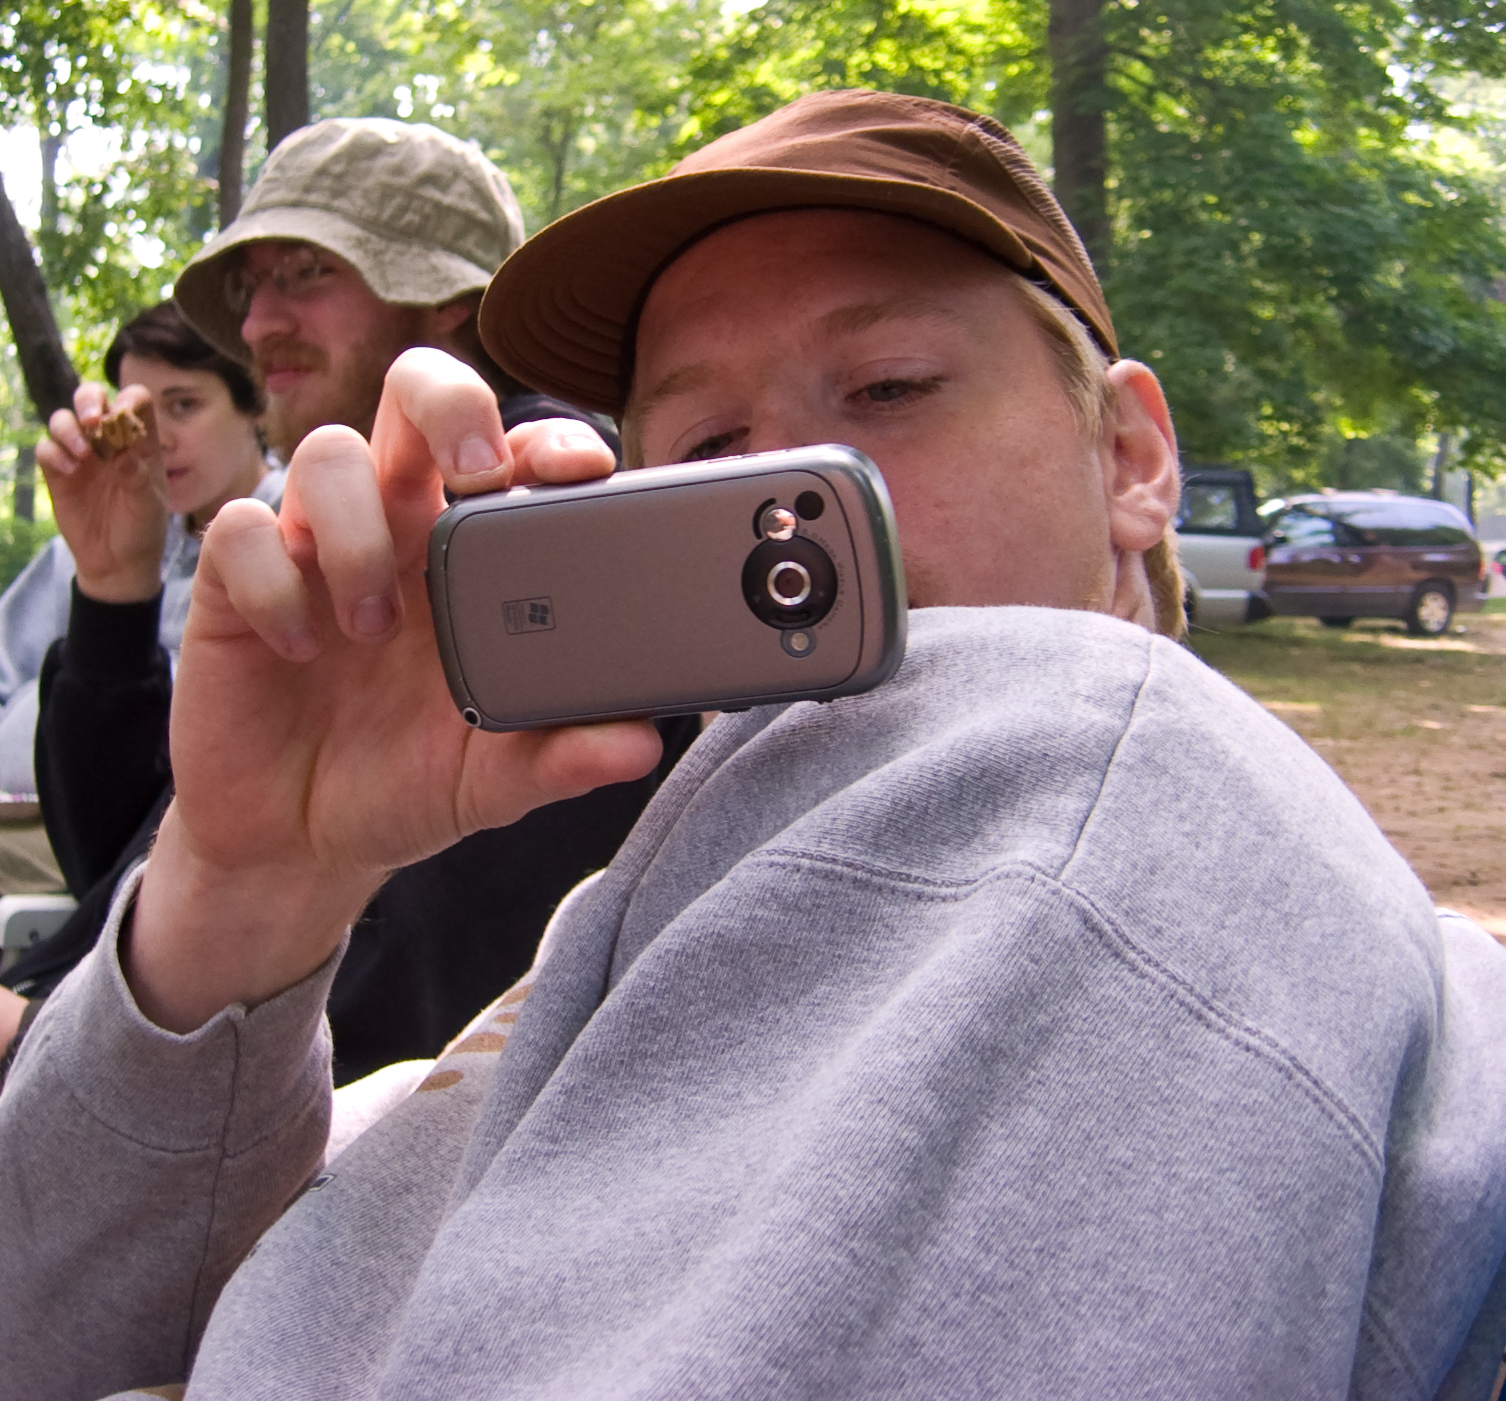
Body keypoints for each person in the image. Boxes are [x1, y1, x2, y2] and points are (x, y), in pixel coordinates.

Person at [5, 89, 1506, 1400]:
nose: (797, 477)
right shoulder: (661, 908)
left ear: (1127, 457)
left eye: (890, 391)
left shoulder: (1094, 762)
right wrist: (241, 891)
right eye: (707, 453)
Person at [0, 116, 694, 1084]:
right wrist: (114, 593)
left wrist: (35, 1052)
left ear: (448, 297)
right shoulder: (349, 525)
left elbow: (423, 1000)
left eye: (306, 274)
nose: (255, 323)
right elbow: (125, 865)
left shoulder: (539, 521)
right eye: (250, 288)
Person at [0, 302, 279, 799]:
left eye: (183, 405)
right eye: (136, 414)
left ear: (254, 401)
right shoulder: (83, 552)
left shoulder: (297, 529)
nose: (157, 439)